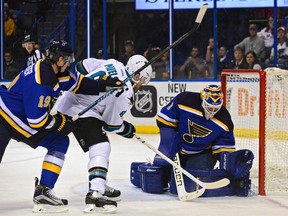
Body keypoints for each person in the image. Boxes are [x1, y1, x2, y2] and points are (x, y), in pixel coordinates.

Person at [0, 40, 123, 213]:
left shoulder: (54, 71)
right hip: (5, 116)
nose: (69, 62)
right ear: (58, 59)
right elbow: (36, 121)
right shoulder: (41, 80)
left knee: (59, 141)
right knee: (58, 137)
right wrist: (59, 122)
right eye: (67, 58)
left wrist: (103, 84)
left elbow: (78, 83)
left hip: (16, 117)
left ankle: (43, 190)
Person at [54, 55, 152, 213]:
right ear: (137, 76)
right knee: (101, 147)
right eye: (142, 82)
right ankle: (95, 193)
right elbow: (111, 124)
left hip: (66, 100)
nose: (140, 86)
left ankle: (98, 182)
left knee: (99, 142)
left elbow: (81, 66)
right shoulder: (125, 93)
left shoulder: (114, 63)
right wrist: (126, 129)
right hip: (81, 110)